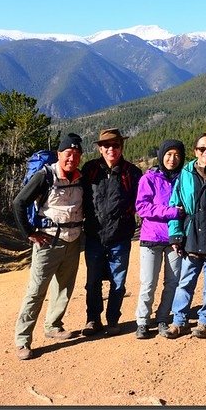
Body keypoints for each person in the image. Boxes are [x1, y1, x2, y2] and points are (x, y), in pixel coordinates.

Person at [11, 133, 85, 361]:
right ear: (59, 154)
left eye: (76, 154)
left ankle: (53, 326)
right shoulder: (45, 176)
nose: (71, 158)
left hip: (72, 240)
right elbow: (19, 202)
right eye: (67, 154)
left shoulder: (80, 178)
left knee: (64, 288)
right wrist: (30, 233)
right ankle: (23, 340)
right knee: (36, 292)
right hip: (48, 241)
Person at [162, 133, 206, 339]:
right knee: (186, 282)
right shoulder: (185, 173)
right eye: (202, 149)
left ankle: (205, 322)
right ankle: (179, 321)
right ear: (195, 152)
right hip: (191, 235)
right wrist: (175, 234)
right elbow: (175, 204)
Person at [80, 128, 142, 337]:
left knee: (118, 281)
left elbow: (140, 202)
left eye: (115, 145)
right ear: (99, 148)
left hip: (120, 236)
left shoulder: (132, 173)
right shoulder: (90, 170)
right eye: (106, 145)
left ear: (121, 147)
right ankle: (93, 319)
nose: (111, 149)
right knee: (93, 281)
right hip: (94, 235)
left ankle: (113, 319)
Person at [133, 139, 186, 339]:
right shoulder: (149, 178)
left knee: (172, 282)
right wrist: (171, 212)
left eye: (177, 155)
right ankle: (142, 321)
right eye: (169, 154)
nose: (172, 159)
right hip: (151, 238)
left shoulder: (184, 179)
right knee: (148, 282)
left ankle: (163, 317)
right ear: (162, 155)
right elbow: (142, 207)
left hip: (175, 238)